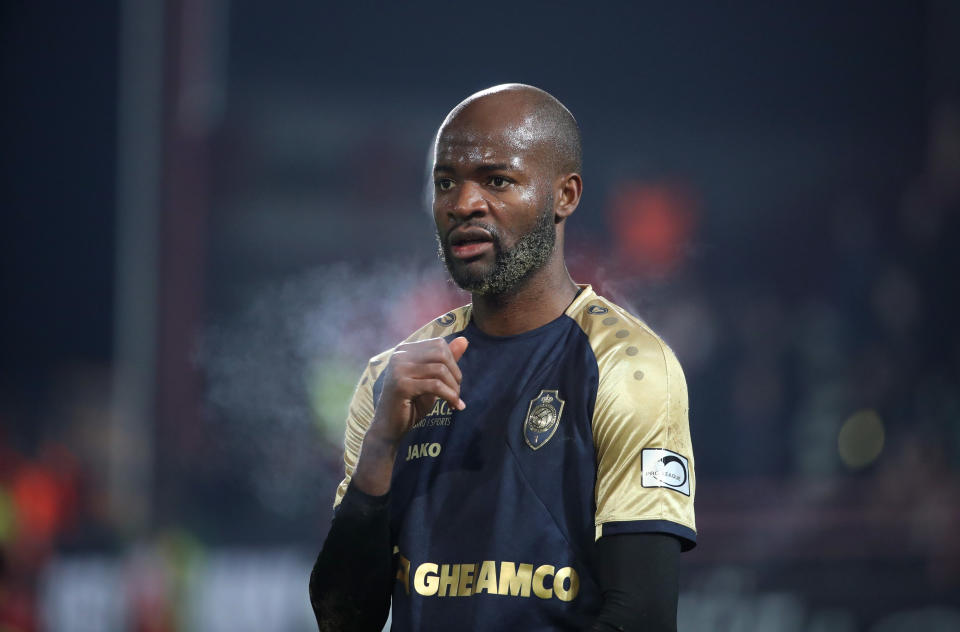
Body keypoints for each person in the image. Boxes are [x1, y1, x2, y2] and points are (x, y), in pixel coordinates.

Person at [309, 84, 696, 631]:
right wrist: (379, 449)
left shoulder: (627, 366)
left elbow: (643, 617)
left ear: (565, 196)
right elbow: (344, 621)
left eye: (497, 180)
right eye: (447, 182)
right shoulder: (389, 380)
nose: (463, 203)